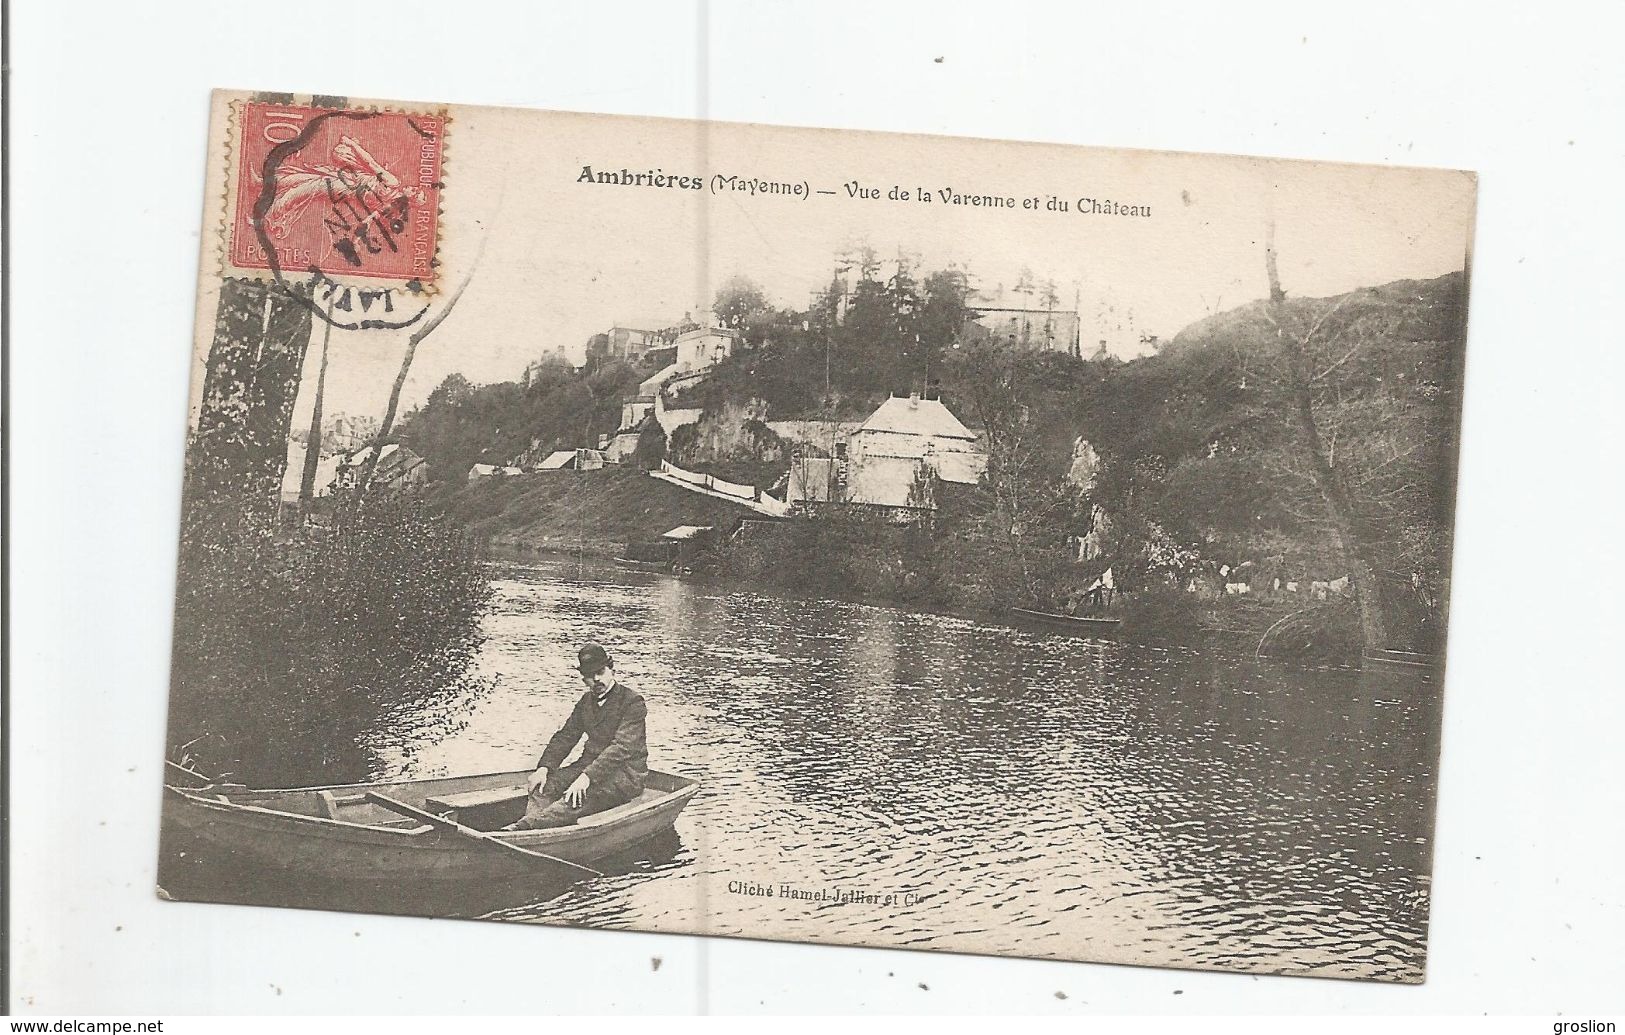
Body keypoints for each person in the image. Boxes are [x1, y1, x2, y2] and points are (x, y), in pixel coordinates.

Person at [503, 643, 648, 830]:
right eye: (589, 675)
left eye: (600, 671)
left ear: (612, 670)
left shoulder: (632, 702)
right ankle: (530, 830)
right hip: (587, 767)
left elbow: (621, 747)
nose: (596, 679)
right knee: (543, 787)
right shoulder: (586, 702)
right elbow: (566, 737)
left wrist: (587, 777)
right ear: (583, 679)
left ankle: (522, 829)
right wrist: (544, 768)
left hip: (625, 774)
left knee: (575, 798)